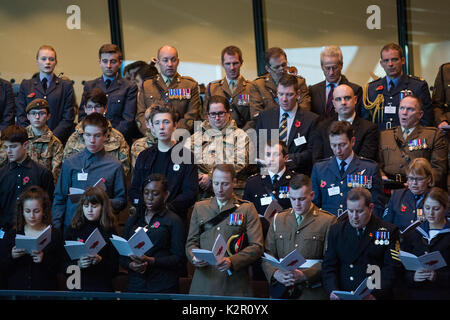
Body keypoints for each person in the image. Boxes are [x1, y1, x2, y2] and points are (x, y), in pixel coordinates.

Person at [186, 164, 263, 297]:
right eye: (216, 183)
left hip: (234, 284)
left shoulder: (246, 208)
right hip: (204, 283)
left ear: (234, 182)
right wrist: (194, 257)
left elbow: (257, 247)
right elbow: (191, 243)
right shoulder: (200, 208)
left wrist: (232, 261)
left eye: (225, 184)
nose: (219, 189)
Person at [262, 174, 337, 299]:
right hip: (281, 290)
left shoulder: (327, 221)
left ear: (312, 195)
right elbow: (267, 255)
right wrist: (275, 273)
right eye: (293, 199)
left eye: (302, 199)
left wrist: (305, 275)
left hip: (312, 292)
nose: (297, 204)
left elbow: (330, 261)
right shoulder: (278, 219)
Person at [52, 113, 127, 232]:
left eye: (97, 136)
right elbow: (59, 197)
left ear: (105, 136)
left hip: (102, 228)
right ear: (83, 135)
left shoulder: (115, 166)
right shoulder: (70, 163)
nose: (92, 140)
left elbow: (122, 201)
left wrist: (101, 201)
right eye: (88, 135)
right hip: (72, 226)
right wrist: (56, 228)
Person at [322, 187, 400, 300]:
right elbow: (329, 266)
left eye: (359, 211)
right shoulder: (337, 231)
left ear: (371, 208)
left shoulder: (388, 231)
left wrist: (375, 294)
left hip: (374, 295)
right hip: (344, 295)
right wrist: (332, 290)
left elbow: (391, 268)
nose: (354, 217)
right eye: (350, 211)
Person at [130, 104, 198, 223]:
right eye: (157, 123)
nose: (161, 127)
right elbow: (135, 190)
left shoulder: (186, 156)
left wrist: (165, 209)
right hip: (145, 216)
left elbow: (190, 194)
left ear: (175, 125)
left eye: (166, 122)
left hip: (174, 218)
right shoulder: (144, 156)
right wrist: (147, 208)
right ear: (151, 126)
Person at [120, 174, 185, 293]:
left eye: (155, 194)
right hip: (136, 285)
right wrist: (131, 265)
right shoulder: (134, 220)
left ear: (166, 195)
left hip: (163, 286)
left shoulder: (173, 220)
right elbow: (122, 256)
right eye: (146, 193)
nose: (149, 198)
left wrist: (152, 261)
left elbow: (179, 259)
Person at [311, 121, 384, 217]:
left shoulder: (369, 168)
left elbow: (377, 206)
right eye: (333, 145)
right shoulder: (320, 168)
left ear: (352, 141)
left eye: (342, 145)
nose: (338, 150)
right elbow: (314, 205)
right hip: (329, 226)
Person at [184, 95, 251, 199]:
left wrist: (211, 177)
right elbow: (186, 163)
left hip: (232, 194)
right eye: (213, 114)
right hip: (201, 194)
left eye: (221, 113)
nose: (217, 118)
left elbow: (239, 163)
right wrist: (199, 178)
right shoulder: (194, 138)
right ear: (207, 115)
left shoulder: (240, 136)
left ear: (228, 113)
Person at [379, 95, 448, 190]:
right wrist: (382, 177)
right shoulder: (385, 135)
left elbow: (439, 169)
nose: (404, 112)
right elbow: (377, 164)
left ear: (420, 114)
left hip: (420, 190)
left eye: (410, 109)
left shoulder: (433, 135)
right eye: (402, 108)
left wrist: (420, 183)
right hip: (390, 189)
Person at [255, 74, 319, 175]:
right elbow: (258, 148)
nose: (284, 99)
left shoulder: (311, 120)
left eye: (289, 95)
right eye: (281, 94)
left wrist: (285, 160)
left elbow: (313, 153)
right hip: (269, 175)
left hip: (298, 177)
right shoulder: (265, 117)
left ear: (298, 94)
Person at [361, 43, 433, 131]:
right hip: (379, 140)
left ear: (403, 60)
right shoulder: (371, 88)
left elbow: (426, 120)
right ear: (381, 63)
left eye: (394, 60)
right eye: (386, 60)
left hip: (408, 139)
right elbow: (366, 122)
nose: (390, 64)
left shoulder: (418, 86)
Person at [4, 186, 63, 290]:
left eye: (36, 211)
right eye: (27, 211)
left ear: (44, 211)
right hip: (18, 291)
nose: (31, 216)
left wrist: (44, 259)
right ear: (22, 211)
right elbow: (3, 268)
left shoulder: (54, 234)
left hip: (45, 291)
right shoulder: (13, 234)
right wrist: (12, 256)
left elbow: (61, 267)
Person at [64, 88, 131, 177]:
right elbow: (66, 167)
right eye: (90, 107)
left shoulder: (117, 138)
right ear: (85, 109)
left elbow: (124, 170)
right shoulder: (75, 137)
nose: (94, 111)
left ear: (105, 108)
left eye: (98, 106)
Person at [16, 45, 76, 144]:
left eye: (51, 59)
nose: (47, 62)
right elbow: (21, 115)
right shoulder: (26, 85)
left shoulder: (66, 86)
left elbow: (68, 117)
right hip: (30, 142)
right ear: (37, 61)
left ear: (55, 62)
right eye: (43, 59)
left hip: (57, 141)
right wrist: (31, 137)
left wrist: (52, 138)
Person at [79, 44, 138, 144]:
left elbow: (128, 120)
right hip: (92, 141)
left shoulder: (129, 87)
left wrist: (109, 138)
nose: (108, 66)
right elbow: (82, 116)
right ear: (99, 62)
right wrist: (95, 137)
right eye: (105, 61)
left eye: (113, 61)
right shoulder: (90, 85)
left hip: (118, 141)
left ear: (119, 63)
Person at [0, 125, 54, 233]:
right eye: (6, 147)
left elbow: (48, 205)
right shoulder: (2, 174)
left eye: (13, 146)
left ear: (25, 145)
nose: (9, 151)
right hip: (6, 231)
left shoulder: (42, 173)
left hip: (35, 231)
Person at [136, 45, 201, 135]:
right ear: (158, 62)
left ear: (178, 62)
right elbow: (141, 115)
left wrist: (174, 133)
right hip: (153, 138)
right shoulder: (147, 85)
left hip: (179, 138)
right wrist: (153, 134)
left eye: (173, 60)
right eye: (165, 60)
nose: (170, 64)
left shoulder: (189, 85)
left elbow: (191, 116)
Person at [63, 186, 119, 292]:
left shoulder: (109, 231)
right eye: (86, 205)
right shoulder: (73, 229)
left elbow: (114, 269)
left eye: (94, 206)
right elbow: (63, 265)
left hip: (101, 286)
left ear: (103, 206)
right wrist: (78, 264)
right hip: (77, 285)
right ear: (81, 207)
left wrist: (100, 261)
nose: (89, 210)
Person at [399, 187, 450, 300]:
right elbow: (402, 270)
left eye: (436, 209)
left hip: (443, 293)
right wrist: (413, 277)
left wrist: (438, 277)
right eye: (427, 208)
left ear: (445, 208)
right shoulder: (414, 232)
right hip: (417, 293)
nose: (430, 213)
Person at [312, 84, 379, 162]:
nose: (343, 102)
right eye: (338, 99)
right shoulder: (322, 127)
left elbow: (366, 161)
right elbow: (318, 161)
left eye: (347, 98)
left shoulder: (369, 128)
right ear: (333, 103)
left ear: (355, 100)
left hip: (357, 173)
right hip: (328, 173)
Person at [243, 140, 296, 237]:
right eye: (267, 154)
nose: (271, 159)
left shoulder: (296, 180)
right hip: (260, 234)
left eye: (276, 155)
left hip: (289, 234)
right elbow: (245, 214)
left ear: (286, 158)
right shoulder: (253, 182)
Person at [250, 47, 311, 127]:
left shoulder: (299, 82)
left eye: (284, 65)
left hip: (294, 126)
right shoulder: (258, 85)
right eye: (276, 67)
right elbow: (256, 116)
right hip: (268, 128)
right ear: (268, 68)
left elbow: (305, 109)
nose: (282, 69)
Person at [204, 46, 253, 130]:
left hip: (244, 135)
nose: (232, 68)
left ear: (241, 63)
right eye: (228, 64)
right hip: (218, 135)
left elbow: (254, 118)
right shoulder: (212, 88)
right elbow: (206, 115)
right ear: (222, 64)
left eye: (235, 63)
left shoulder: (251, 88)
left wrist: (241, 134)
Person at [309, 46, 363, 120]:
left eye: (335, 68)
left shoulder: (355, 90)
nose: (331, 72)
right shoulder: (313, 90)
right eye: (327, 68)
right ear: (322, 67)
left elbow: (358, 119)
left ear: (341, 65)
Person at [383, 158, 433, 232]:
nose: (414, 183)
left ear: (428, 179)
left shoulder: (436, 198)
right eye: (411, 178)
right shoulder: (397, 196)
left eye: (419, 179)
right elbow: (386, 225)